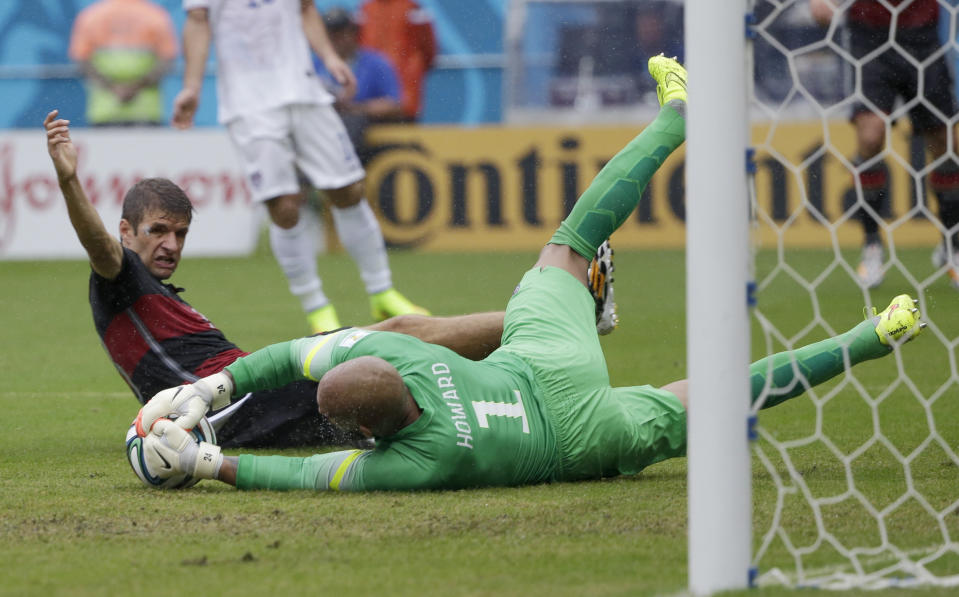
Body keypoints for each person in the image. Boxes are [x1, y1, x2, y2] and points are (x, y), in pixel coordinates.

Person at [138, 57, 925, 492]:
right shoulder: (398, 356)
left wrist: (207, 459)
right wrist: (210, 391)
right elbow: (292, 361)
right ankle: (672, 119)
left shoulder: (421, 460)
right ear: (381, 368)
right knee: (571, 237)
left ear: (369, 432)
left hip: (580, 436)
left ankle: (870, 335)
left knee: (718, 397)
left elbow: (311, 475)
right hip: (546, 357)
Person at [42, 107, 510, 448]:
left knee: (405, 381)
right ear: (127, 232)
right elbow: (99, 247)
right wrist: (68, 181)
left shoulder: (155, 291)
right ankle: (535, 324)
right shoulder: (120, 278)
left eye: (180, 233)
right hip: (238, 405)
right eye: (158, 231)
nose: (171, 244)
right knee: (400, 335)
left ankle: (514, 398)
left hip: (252, 398)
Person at [171, 0, 428, 334]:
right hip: (249, 103)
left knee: (347, 189)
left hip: (303, 90)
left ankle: (382, 291)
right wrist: (191, 86)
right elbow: (198, 21)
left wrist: (331, 58)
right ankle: (317, 309)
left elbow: (305, 9)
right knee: (284, 205)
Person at [810, 0, 959, 289]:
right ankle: (872, 247)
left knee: (945, 142)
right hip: (870, 36)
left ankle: (952, 246)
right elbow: (821, 9)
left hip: (922, 35)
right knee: (870, 134)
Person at [68, 0, 178, 127]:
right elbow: (167, 60)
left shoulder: (91, 15)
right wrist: (136, 87)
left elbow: (82, 61)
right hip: (145, 110)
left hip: (104, 110)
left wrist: (113, 89)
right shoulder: (155, 15)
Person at [315, 7, 404, 162]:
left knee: (352, 121)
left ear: (354, 34)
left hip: (361, 128)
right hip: (322, 122)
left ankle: (344, 169)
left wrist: (354, 108)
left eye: (342, 33)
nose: (337, 39)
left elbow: (393, 104)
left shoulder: (376, 63)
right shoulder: (315, 64)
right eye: (331, 34)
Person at [356, 0, 437, 122]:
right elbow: (358, 48)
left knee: (404, 133)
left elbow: (428, 51)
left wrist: (413, 71)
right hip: (373, 99)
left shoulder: (413, 8)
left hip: (404, 91)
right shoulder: (365, 10)